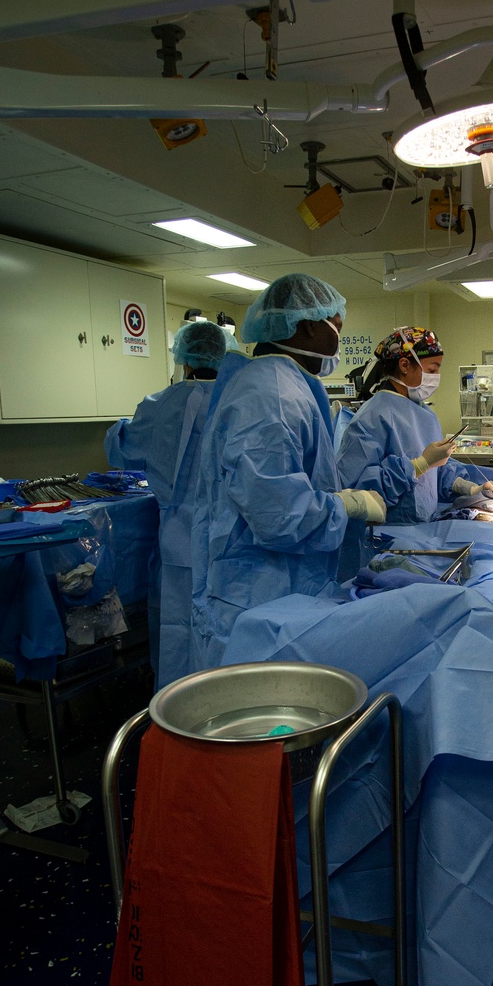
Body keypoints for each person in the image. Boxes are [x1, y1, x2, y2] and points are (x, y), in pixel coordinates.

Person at [190, 273, 386, 669]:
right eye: (337, 326)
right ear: (310, 326)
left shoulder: (281, 385)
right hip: (259, 599)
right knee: (261, 718)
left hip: (274, 590)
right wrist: (347, 505)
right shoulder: (271, 395)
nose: (338, 339)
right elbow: (279, 515)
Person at [104, 319, 227, 690]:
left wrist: (123, 428)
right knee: (223, 627)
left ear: (184, 359)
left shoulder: (159, 405)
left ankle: (176, 717)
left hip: (178, 537)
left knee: (178, 628)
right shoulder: (238, 400)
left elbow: (122, 450)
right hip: (229, 538)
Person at [335, 326, 493, 527]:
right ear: (404, 365)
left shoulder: (425, 414)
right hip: (386, 535)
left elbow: (434, 474)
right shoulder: (372, 417)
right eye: (432, 369)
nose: (437, 376)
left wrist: (470, 489)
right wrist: (420, 464)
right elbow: (357, 491)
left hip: (423, 528)